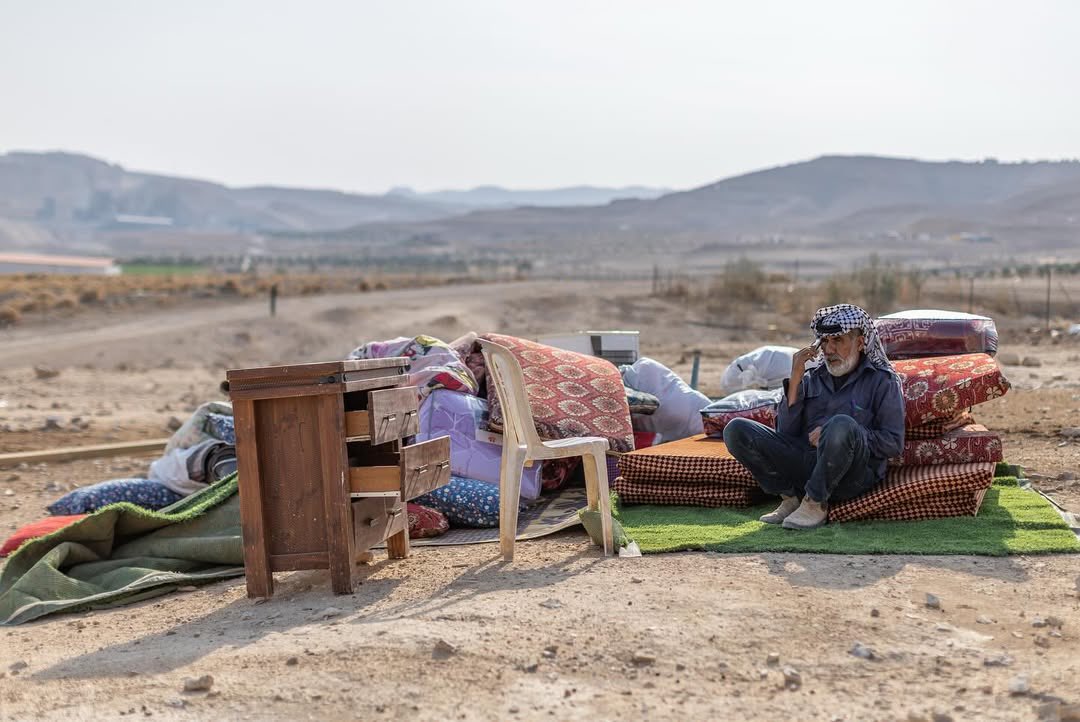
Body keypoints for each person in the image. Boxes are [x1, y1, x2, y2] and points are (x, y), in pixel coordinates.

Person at [723, 304, 904, 529]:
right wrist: (796, 378)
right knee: (737, 430)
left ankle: (815, 503)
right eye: (825, 342)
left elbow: (893, 443)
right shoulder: (811, 378)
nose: (829, 349)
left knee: (841, 425)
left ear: (859, 343)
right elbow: (785, 434)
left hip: (851, 474)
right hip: (806, 466)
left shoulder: (882, 381)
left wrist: (838, 435)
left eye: (838, 340)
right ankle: (790, 499)